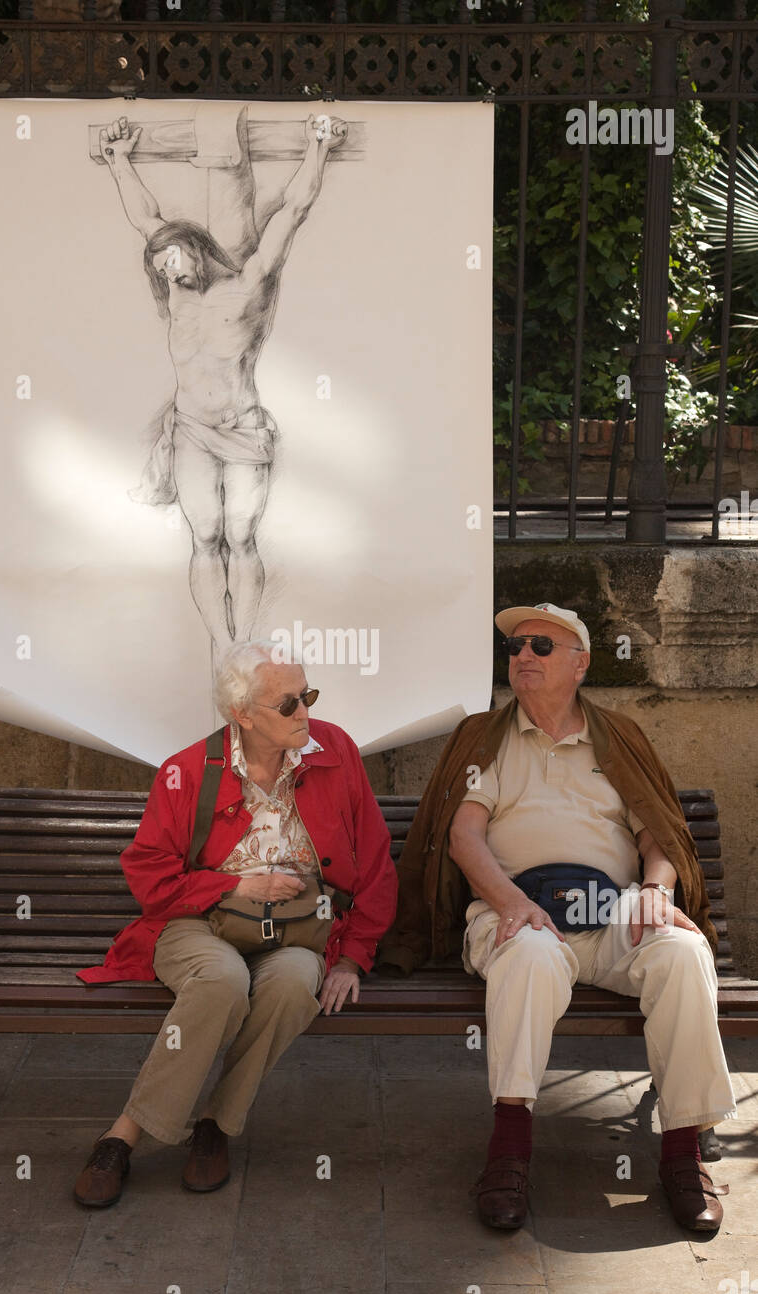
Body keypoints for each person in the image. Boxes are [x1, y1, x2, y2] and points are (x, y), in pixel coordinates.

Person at [376, 602, 736, 1233]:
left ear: (580, 664)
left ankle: (683, 1154)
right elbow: (463, 837)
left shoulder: (619, 737)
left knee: (683, 954)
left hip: (609, 907)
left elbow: (660, 836)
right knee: (530, 953)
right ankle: (509, 1150)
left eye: (541, 645)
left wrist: (656, 890)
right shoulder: (486, 739)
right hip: (520, 906)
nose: (522, 656)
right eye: (515, 648)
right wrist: (514, 903)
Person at [73, 639, 397, 1206]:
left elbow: (373, 858)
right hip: (200, 922)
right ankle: (125, 1132)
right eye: (288, 704)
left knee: (297, 984)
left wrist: (352, 956)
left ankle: (215, 1125)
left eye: (308, 697)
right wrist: (236, 884)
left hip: (298, 930)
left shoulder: (334, 751)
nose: (306, 714)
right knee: (222, 981)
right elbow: (150, 878)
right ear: (242, 714)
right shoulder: (188, 771)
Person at [99, 109, 347, 655]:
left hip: (242, 426)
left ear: (193, 246)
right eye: (160, 269)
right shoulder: (179, 297)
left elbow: (293, 210)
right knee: (205, 536)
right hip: (190, 429)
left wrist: (319, 147)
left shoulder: (250, 284)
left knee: (240, 535)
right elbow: (145, 218)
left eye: (172, 261)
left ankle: (248, 639)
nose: (167, 273)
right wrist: (119, 160)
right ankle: (222, 644)